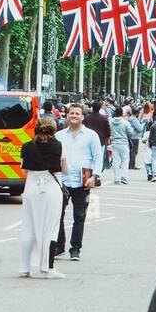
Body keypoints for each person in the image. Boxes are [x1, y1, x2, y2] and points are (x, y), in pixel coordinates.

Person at [54, 103, 103, 263]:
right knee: (57, 215)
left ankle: (75, 249)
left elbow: (97, 157)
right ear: (67, 115)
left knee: (79, 216)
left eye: (77, 114)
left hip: (83, 181)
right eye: (71, 113)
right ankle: (59, 246)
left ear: (82, 117)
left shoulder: (91, 135)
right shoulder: (59, 135)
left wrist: (94, 176)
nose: (74, 116)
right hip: (62, 181)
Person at [20, 116, 66, 279]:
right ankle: (48, 268)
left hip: (31, 188)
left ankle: (25, 268)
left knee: (28, 227)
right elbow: (64, 168)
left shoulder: (26, 146)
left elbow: (24, 170)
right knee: (51, 229)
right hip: (51, 189)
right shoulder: (59, 146)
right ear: (54, 130)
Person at [109, 106, 131, 184]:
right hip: (124, 143)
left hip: (114, 143)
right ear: (122, 113)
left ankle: (116, 178)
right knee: (125, 160)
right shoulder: (125, 122)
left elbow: (108, 130)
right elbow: (130, 132)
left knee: (116, 161)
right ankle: (124, 177)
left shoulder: (110, 122)